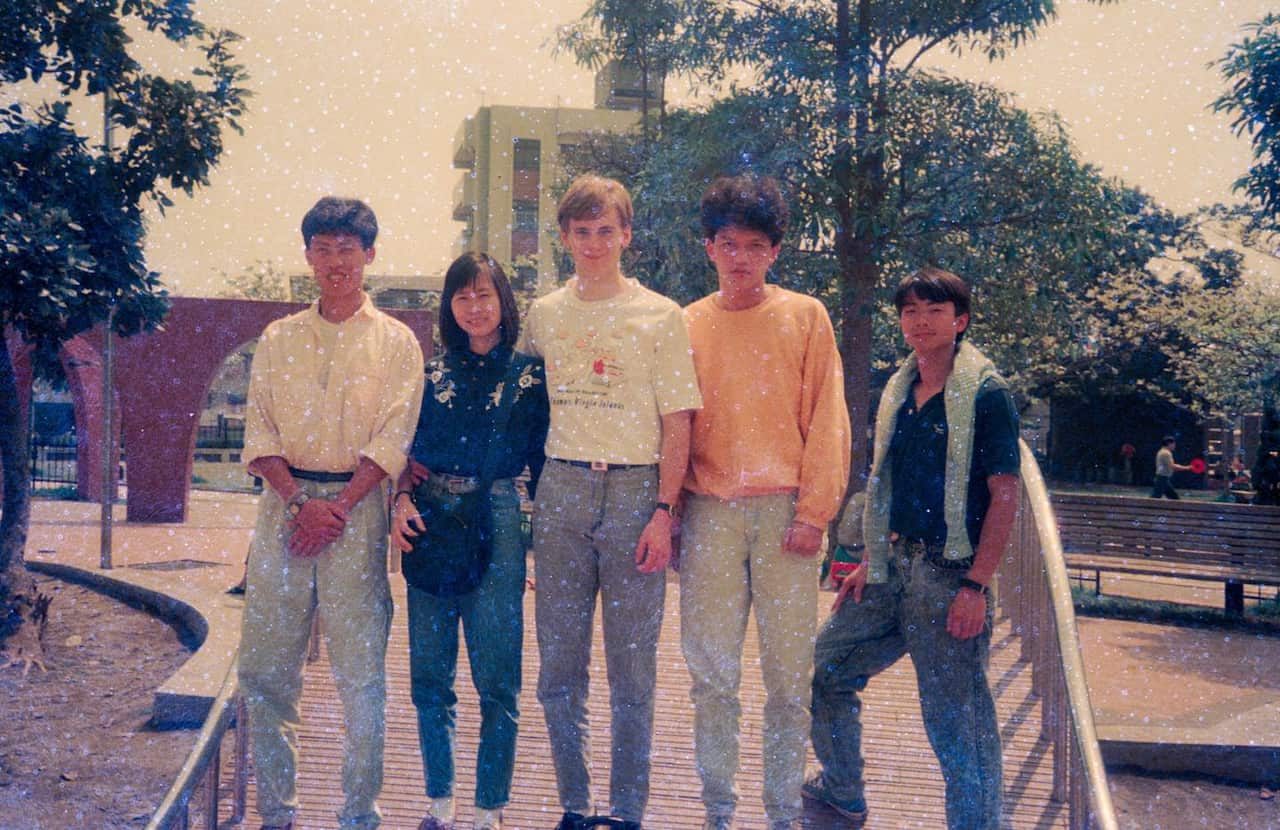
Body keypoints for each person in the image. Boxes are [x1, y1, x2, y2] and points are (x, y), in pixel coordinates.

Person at [806, 267, 1021, 830]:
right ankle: (843, 790)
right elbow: (891, 485)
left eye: (934, 310)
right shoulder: (900, 391)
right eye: (910, 311)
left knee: (958, 721)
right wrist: (871, 561)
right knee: (825, 668)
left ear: (961, 320)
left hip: (949, 576)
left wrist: (975, 586)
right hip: (891, 567)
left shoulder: (987, 394)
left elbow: (1005, 495)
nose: (920, 322)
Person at [519, 174, 702, 830]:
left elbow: (678, 421)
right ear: (565, 237)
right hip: (562, 489)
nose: (593, 243)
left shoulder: (661, 314)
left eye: (605, 230)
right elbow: (524, 412)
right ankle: (575, 802)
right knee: (559, 665)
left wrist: (664, 512)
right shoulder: (544, 315)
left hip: (634, 492)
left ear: (626, 234)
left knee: (632, 668)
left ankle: (627, 810)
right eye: (581, 231)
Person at [237, 197, 425, 830]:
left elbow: (395, 436)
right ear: (308, 256)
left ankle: (359, 813)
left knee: (361, 676)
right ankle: (276, 811)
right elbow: (260, 429)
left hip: (357, 512)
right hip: (283, 512)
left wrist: (337, 508)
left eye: (348, 249)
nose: (336, 261)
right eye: (323, 249)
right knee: (266, 671)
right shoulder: (278, 338)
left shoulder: (396, 343)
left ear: (369, 254)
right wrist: (299, 503)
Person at [679, 175, 851, 830]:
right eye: (729, 244)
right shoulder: (687, 323)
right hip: (710, 515)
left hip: (786, 516)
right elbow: (675, 426)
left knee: (787, 681)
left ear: (775, 251)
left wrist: (814, 512)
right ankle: (717, 812)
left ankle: (782, 813)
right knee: (712, 678)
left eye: (755, 246)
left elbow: (828, 419)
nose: (741, 258)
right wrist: (671, 513)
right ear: (709, 248)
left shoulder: (806, 316)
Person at [390, 253, 548, 830]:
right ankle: (440, 799)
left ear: (503, 301)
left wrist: (536, 552)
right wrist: (400, 499)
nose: (475, 307)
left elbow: (543, 466)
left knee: (497, 675)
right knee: (430, 672)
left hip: (499, 518)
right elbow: (401, 453)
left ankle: (489, 807)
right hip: (430, 519)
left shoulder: (531, 377)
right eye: (462, 297)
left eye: (485, 295)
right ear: (448, 307)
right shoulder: (428, 376)